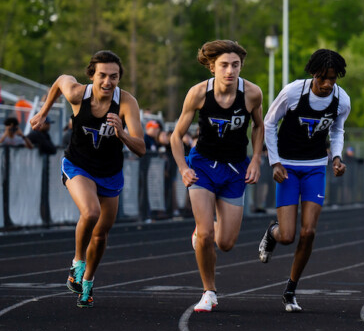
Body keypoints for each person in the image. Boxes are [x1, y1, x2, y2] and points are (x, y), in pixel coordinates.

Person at [29, 50, 146, 307]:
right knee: (90, 212)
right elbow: (61, 80)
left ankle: (88, 281)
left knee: (101, 234)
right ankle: (77, 263)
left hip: (110, 172)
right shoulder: (78, 94)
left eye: (113, 77)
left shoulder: (126, 103)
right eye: (102, 75)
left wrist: (122, 134)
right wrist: (43, 112)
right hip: (78, 165)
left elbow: (141, 148)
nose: (107, 82)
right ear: (92, 75)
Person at [170, 40, 264, 313]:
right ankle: (209, 291)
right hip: (202, 166)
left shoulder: (252, 94)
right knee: (206, 234)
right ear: (212, 67)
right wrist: (183, 168)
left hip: (235, 168)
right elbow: (176, 136)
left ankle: (204, 232)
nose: (230, 71)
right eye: (224, 65)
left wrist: (256, 159)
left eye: (235, 65)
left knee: (225, 242)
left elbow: (258, 127)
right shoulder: (198, 94)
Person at [258, 49, 351, 313]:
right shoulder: (293, 93)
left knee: (308, 232)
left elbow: (337, 129)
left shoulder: (341, 100)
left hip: (314, 168)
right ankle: (272, 232)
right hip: (287, 167)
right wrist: (274, 161)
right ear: (313, 74)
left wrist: (336, 158)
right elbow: (269, 123)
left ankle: (291, 289)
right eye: (322, 78)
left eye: (332, 79)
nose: (327, 84)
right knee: (287, 236)